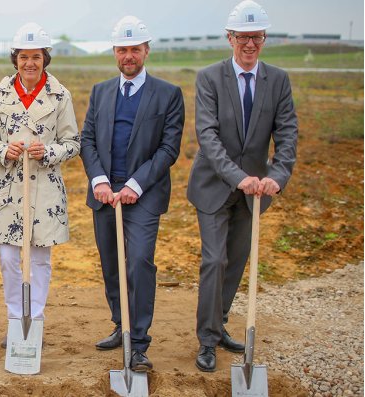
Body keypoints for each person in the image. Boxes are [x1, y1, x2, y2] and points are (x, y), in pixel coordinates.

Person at [188, 0, 298, 372]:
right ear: (230, 38)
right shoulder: (209, 77)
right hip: (214, 186)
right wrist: (239, 177)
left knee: (235, 263)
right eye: (243, 38)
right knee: (214, 260)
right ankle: (206, 340)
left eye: (257, 37)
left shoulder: (278, 80)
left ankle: (218, 327)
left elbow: (287, 135)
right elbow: (208, 135)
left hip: (255, 193)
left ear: (263, 39)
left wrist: (276, 177)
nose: (250, 45)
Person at [80, 15, 184, 371]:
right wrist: (101, 182)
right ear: (114, 52)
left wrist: (134, 185)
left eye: (135, 49)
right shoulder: (101, 91)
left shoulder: (168, 94)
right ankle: (120, 325)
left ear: (146, 51)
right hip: (105, 194)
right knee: (112, 263)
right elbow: (88, 140)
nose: (129, 55)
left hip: (143, 194)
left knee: (139, 262)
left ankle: (138, 343)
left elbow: (169, 150)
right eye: (122, 49)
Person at [0, 23, 80, 348]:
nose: (29, 63)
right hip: (8, 189)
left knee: (39, 259)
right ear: (15, 58)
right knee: (9, 257)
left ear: (45, 58)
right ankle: (15, 320)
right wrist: (3, 150)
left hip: (45, 190)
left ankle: (34, 321)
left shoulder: (59, 94)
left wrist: (49, 151)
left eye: (36, 57)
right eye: (23, 56)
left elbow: (72, 141)